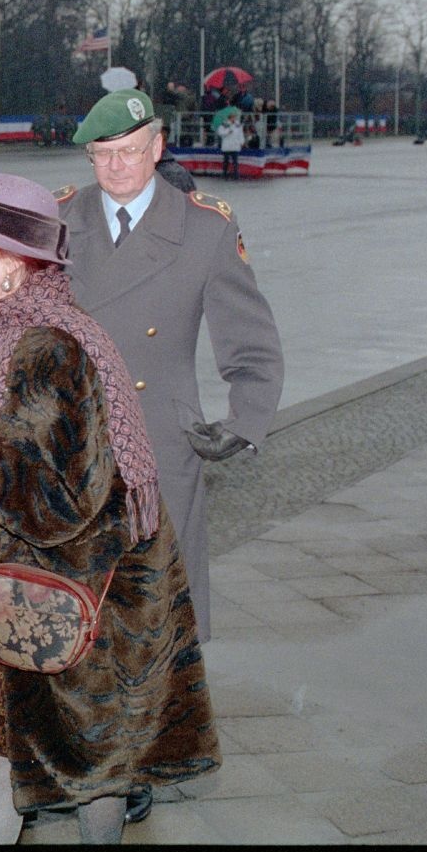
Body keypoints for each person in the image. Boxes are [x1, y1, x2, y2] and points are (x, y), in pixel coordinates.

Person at [0, 173, 219, 845]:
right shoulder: (21, 332)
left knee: (68, 765)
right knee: (84, 765)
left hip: (78, 598)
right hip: (69, 594)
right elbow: (11, 456)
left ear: (15, 262)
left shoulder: (45, 348)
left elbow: (64, 501)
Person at [63, 87, 283, 650]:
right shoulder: (58, 219)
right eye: (101, 154)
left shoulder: (204, 229)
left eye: (130, 151)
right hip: (66, 442)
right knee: (69, 616)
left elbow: (252, 342)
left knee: (152, 620)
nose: (115, 166)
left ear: (157, 147)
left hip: (159, 439)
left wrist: (243, 420)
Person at [218, 110, 244, 180]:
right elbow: (220, 132)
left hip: (235, 146)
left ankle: (236, 175)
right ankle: (224, 174)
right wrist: (227, 132)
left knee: (235, 161)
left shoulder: (238, 125)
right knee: (226, 161)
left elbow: (240, 134)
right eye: (232, 117)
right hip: (227, 146)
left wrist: (242, 142)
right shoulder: (224, 124)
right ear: (229, 118)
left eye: (234, 117)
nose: (234, 119)